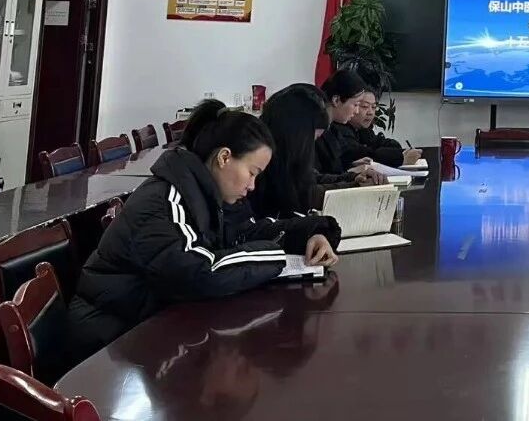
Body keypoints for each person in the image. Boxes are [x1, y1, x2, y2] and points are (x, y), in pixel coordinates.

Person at [68, 100, 341, 360]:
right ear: (224, 157)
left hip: (152, 327)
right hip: (109, 343)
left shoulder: (208, 193)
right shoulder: (164, 201)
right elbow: (201, 271)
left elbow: (245, 232)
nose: (252, 186)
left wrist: (310, 233)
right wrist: (277, 256)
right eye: (252, 172)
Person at [253, 83, 378, 220]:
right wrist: (354, 185)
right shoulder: (268, 160)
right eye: (357, 104)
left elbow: (310, 178)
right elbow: (305, 195)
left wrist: (352, 178)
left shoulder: (285, 151)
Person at [317, 70, 420, 171]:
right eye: (357, 105)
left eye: (374, 107)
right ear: (336, 100)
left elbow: (334, 169)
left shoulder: (332, 129)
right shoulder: (322, 130)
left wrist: (350, 168)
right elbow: (317, 177)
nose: (356, 111)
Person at [350, 85, 422, 166]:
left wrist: (402, 154)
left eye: (373, 107)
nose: (370, 112)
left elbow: (387, 144)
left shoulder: (362, 129)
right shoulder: (343, 131)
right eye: (365, 106)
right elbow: (368, 155)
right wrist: (402, 158)